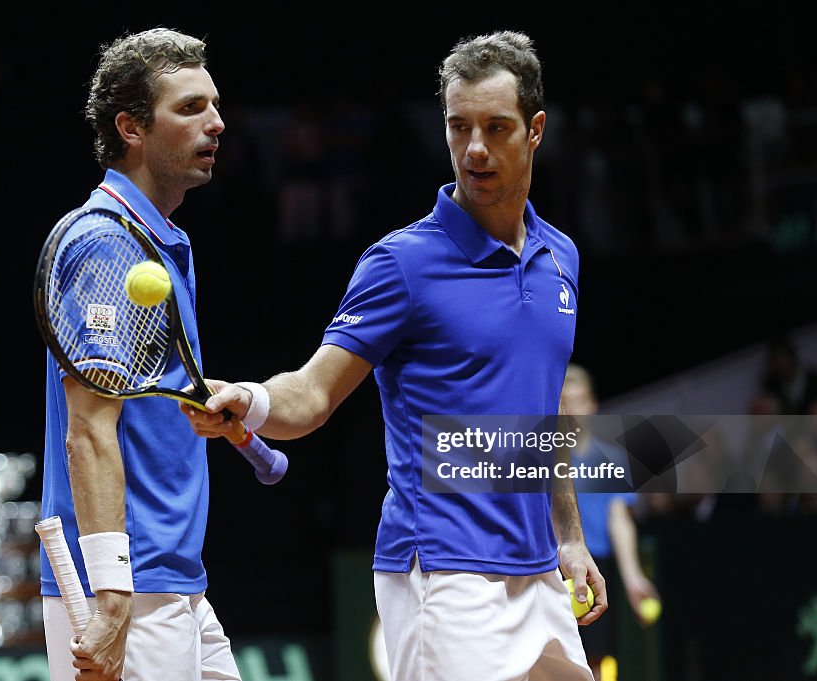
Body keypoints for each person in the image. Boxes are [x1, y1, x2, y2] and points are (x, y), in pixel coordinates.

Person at [184, 30, 604, 681]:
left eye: (495, 127)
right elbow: (316, 392)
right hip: (444, 575)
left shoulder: (561, 258)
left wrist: (570, 537)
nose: (474, 148)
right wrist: (256, 399)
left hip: (539, 573)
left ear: (536, 130)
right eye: (458, 126)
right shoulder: (402, 264)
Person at [39, 28, 240, 681]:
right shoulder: (105, 244)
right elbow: (89, 431)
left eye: (212, 104)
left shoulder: (162, 240)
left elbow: (140, 397)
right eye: (189, 108)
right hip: (132, 588)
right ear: (130, 127)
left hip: (176, 581)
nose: (216, 122)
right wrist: (114, 595)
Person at [560, 364, 661, 680]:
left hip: (596, 572)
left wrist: (633, 578)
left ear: (592, 406)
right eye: (564, 402)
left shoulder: (613, 461)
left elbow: (620, 521)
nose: (572, 410)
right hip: (552, 569)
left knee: (597, 664)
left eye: (578, 401)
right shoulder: (539, 459)